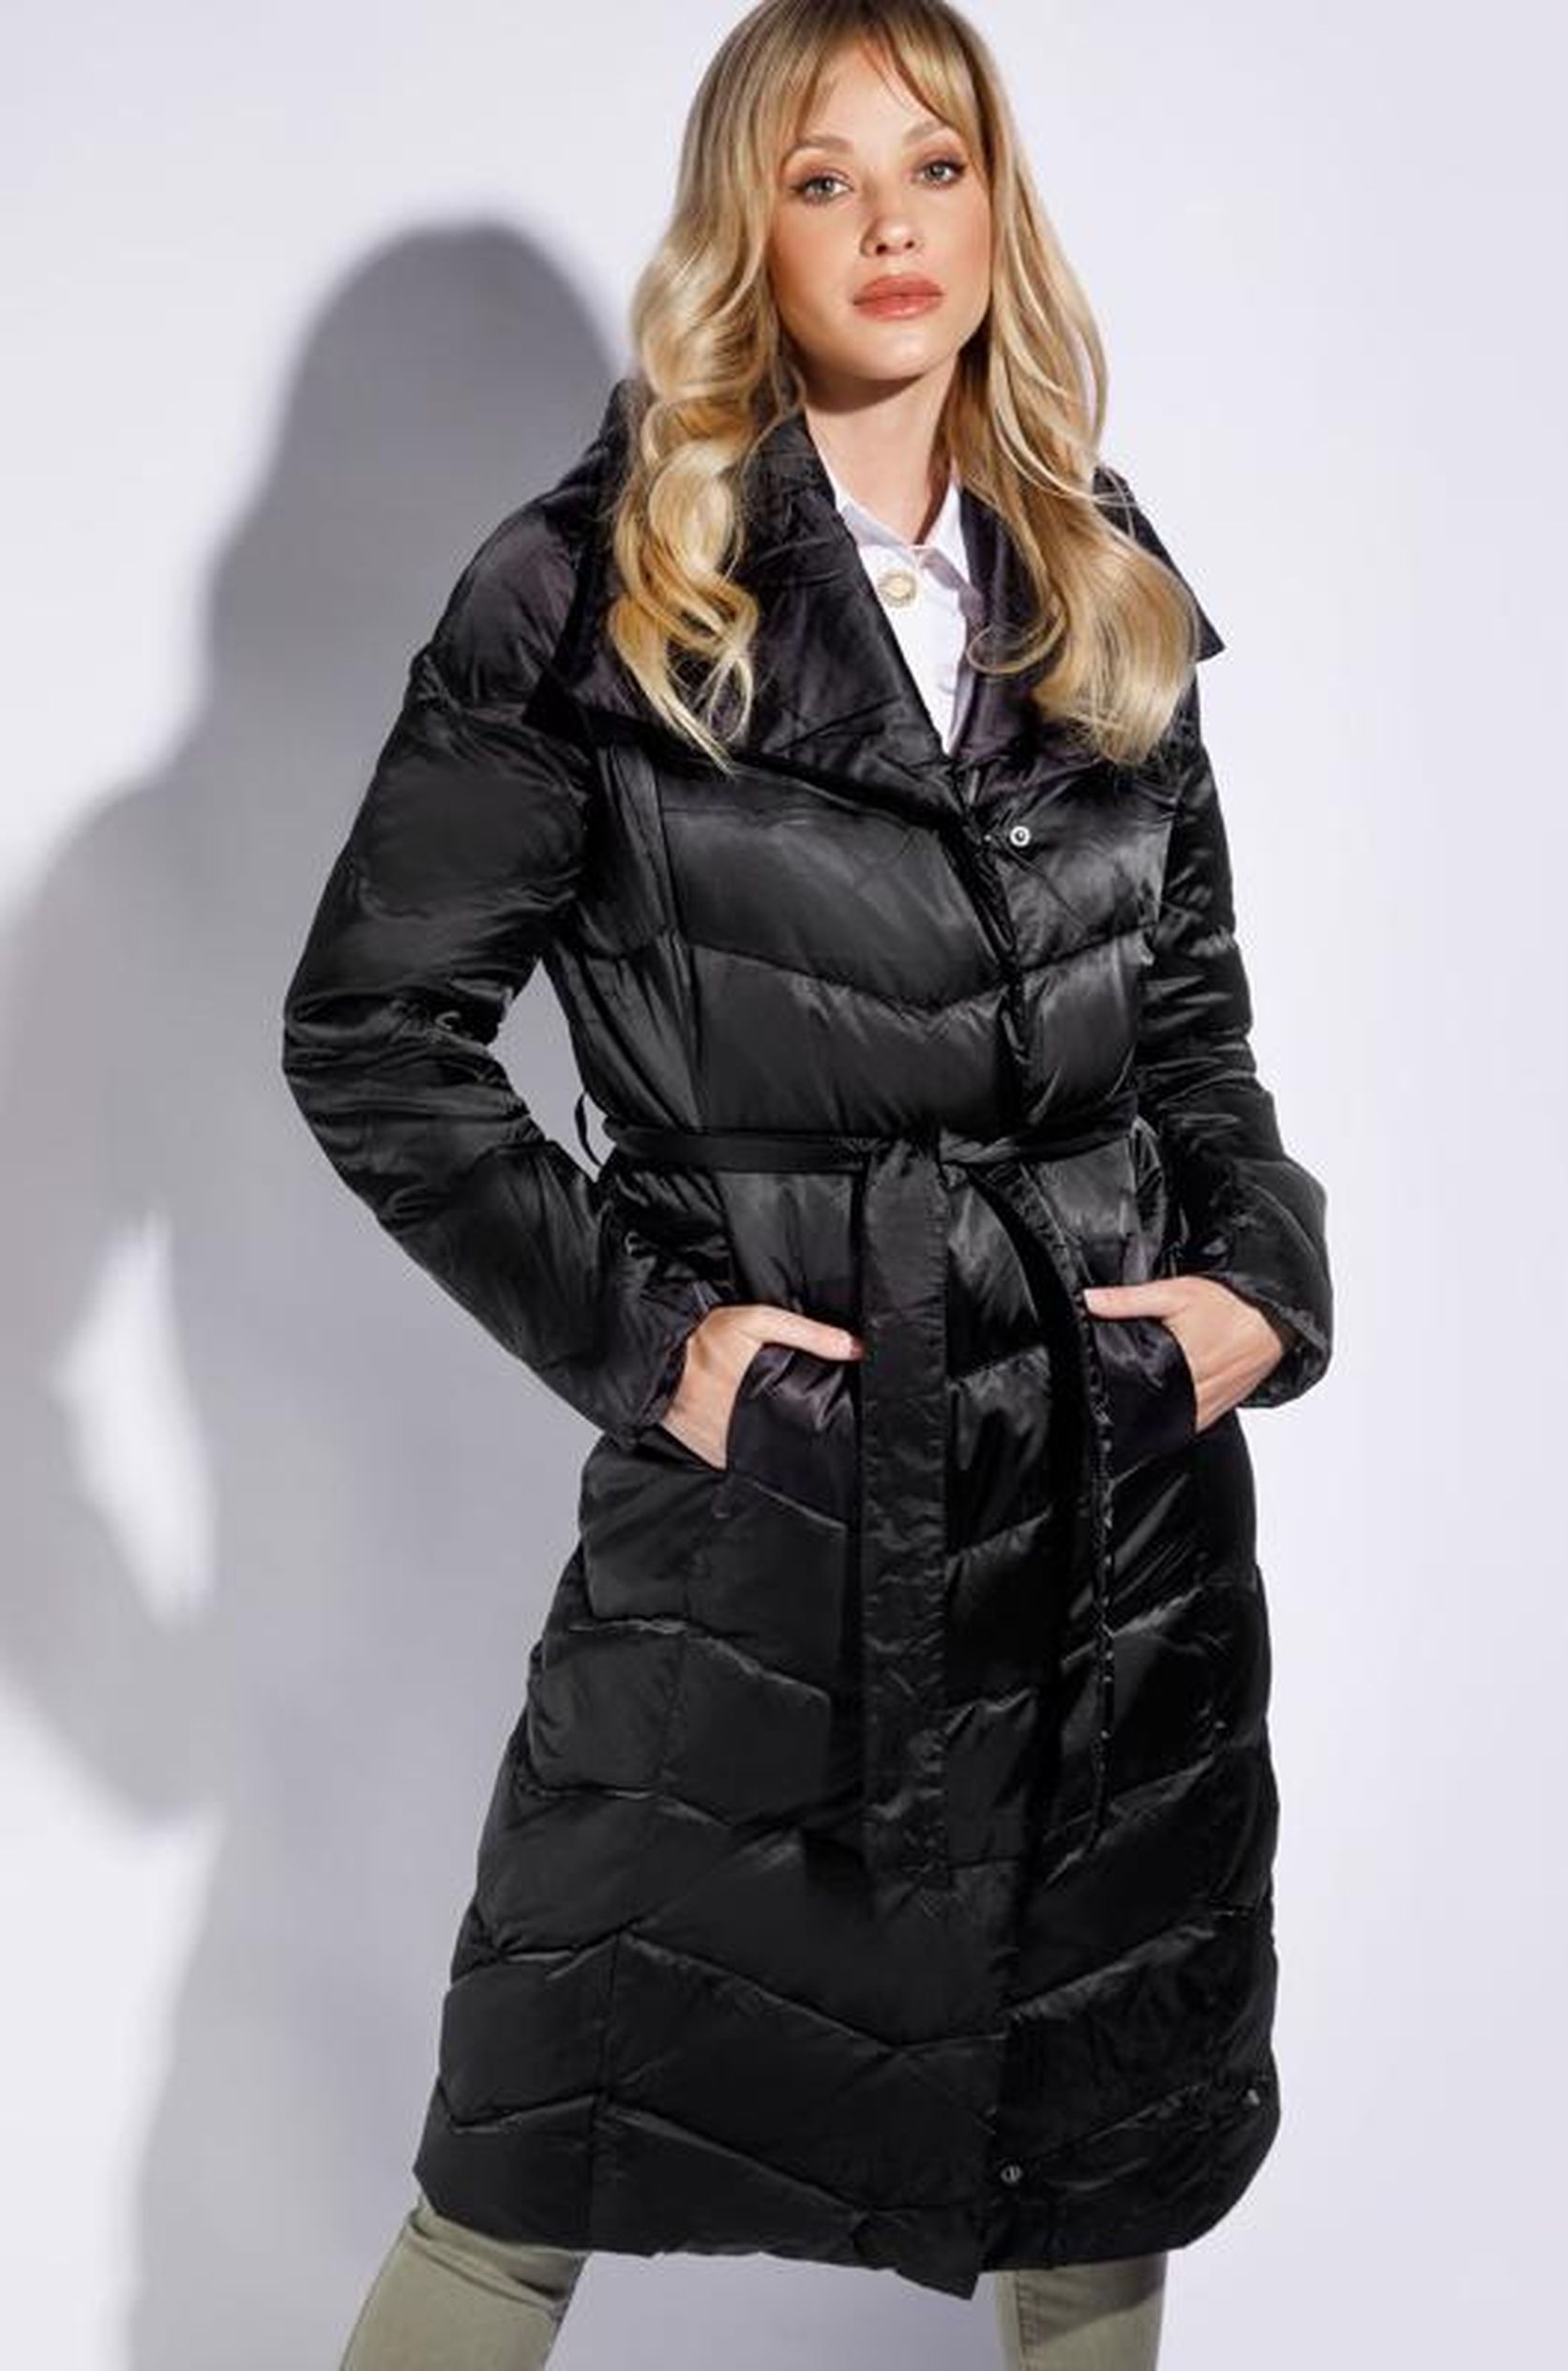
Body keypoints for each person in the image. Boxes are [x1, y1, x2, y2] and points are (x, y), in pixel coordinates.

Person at [282, 4, 1334, 2365]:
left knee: (1092, 2160)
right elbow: (371, 1035)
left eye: (934, 168)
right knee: (525, 2143)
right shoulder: (592, 586)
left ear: (996, 209)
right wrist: (664, 1351)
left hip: (1104, 1502)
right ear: (742, 227)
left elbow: (1191, 1031)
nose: (888, 229)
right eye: (822, 177)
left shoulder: (1095, 564)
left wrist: (1259, 1281)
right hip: (775, 1508)